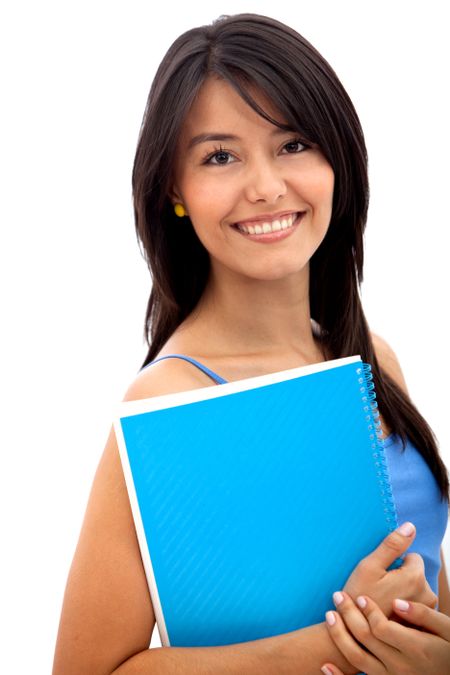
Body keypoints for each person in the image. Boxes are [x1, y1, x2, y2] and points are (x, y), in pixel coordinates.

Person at [52, 12, 450, 675]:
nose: (266, 186)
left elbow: (428, 578)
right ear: (175, 190)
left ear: (338, 160)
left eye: (293, 143)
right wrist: (339, 644)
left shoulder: (373, 359)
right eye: (220, 155)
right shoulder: (165, 405)